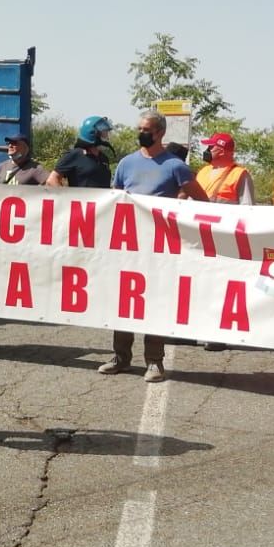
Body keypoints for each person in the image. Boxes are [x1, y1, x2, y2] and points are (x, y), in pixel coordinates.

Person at [100, 110, 207, 383]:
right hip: (128, 247)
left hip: (160, 249)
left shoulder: (175, 166)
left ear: (160, 132)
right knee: (124, 302)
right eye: (139, 128)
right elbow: (117, 199)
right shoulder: (126, 163)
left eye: (146, 129)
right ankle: (120, 357)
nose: (141, 133)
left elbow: (202, 199)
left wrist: (180, 208)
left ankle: (154, 362)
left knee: (154, 304)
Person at [47, 115, 113, 188]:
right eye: (104, 133)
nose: (107, 137)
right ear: (93, 133)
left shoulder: (104, 158)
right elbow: (52, 180)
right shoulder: (75, 155)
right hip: (80, 199)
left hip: (101, 199)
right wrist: (66, 197)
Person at [196, 132, 256, 204]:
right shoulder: (203, 172)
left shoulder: (239, 175)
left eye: (210, 147)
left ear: (221, 152)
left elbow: (247, 206)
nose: (206, 151)